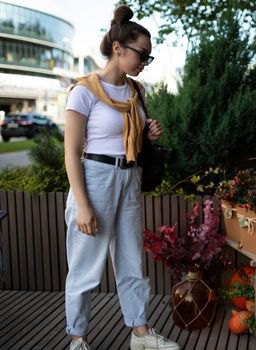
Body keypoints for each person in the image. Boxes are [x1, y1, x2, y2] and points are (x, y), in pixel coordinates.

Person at [64, 5, 179, 350]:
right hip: (95, 179)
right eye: (142, 54)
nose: (145, 61)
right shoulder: (84, 91)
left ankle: (140, 333)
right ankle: (78, 337)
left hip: (129, 179)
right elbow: (71, 153)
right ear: (118, 48)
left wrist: (149, 133)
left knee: (131, 261)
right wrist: (83, 206)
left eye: (149, 56)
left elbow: (131, 137)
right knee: (85, 268)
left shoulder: (136, 92)